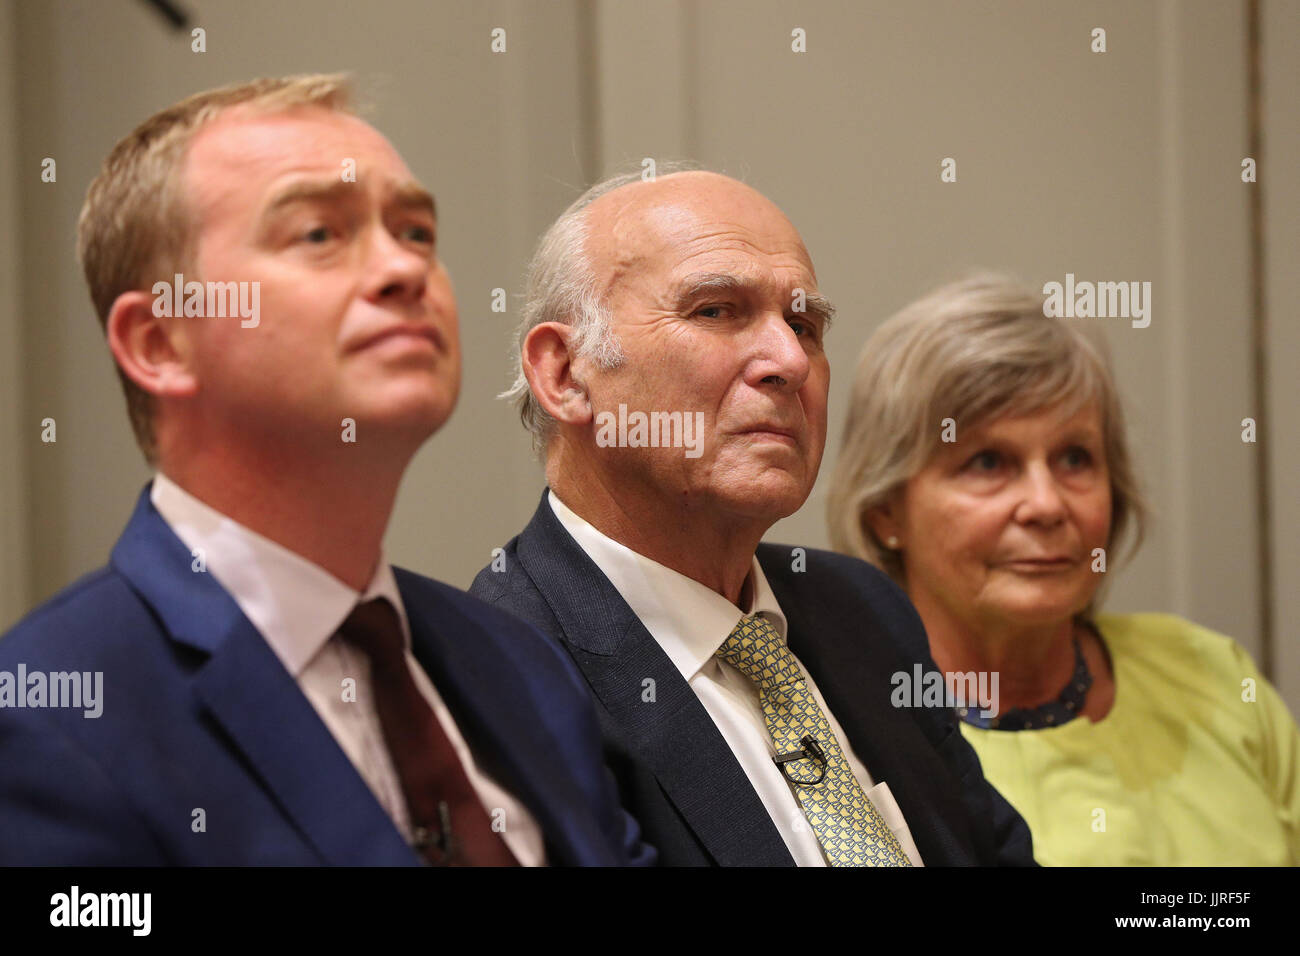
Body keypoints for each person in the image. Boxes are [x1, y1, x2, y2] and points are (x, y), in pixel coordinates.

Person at [0, 75, 651, 867]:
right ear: (160, 342)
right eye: (317, 234)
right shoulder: (53, 712)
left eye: (415, 232)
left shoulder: (519, 665)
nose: (403, 270)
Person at [471, 168, 1036, 866]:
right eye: (715, 310)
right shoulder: (495, 681)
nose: (790, 361)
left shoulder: (863, 613)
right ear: (563, 373)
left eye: (804, 325)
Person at [826, 272, 1300, 865]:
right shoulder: (851, 737)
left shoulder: (1214, 676)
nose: (1047, 504)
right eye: (989, 461)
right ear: (884, 513)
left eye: (1075, 458)